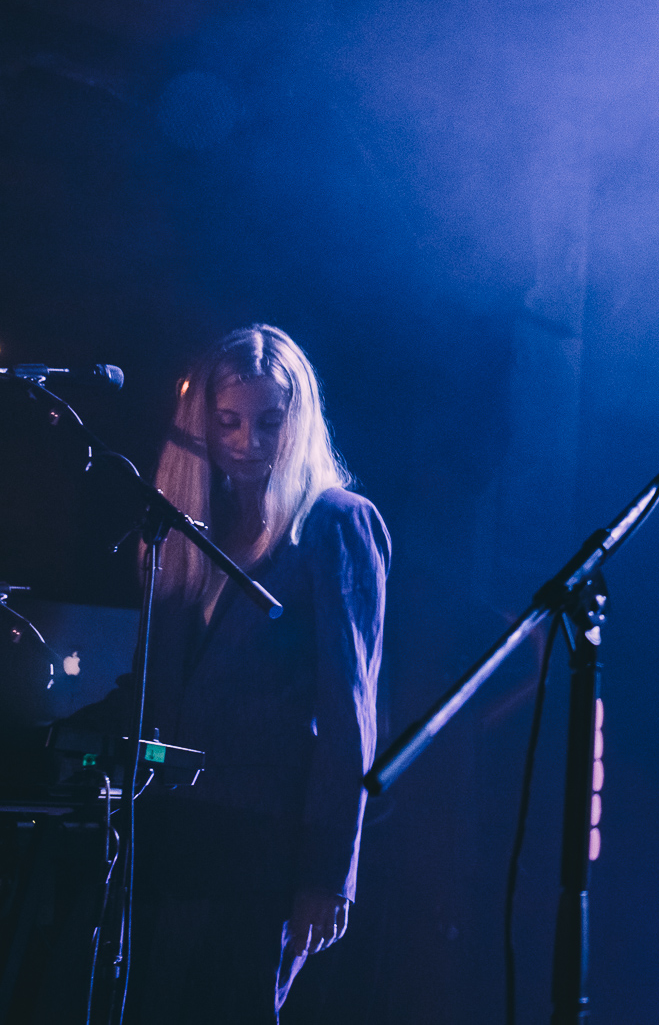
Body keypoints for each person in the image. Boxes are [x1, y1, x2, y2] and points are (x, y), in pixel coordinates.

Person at [66, 324, 388, 1023]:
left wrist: (327, 875)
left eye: (269, 422)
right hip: (163, 838)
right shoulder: (184, 528)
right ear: (202, 422)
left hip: (261, 850)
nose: (247, 441)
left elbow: (349, 719)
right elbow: (154, 688)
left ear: (297, 424)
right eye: (230, 421)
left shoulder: (336, 523)